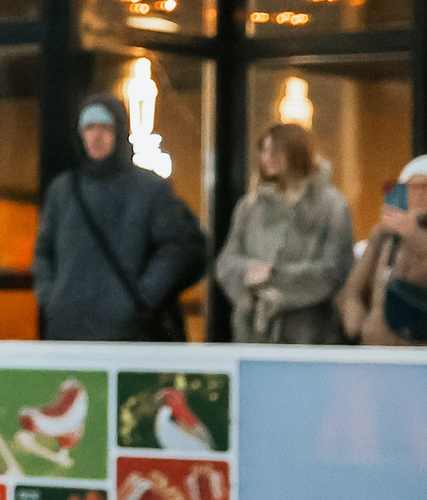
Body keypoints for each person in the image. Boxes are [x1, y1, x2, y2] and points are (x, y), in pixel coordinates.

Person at [33, 96, 208, 341]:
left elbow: (181, 246)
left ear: (120, 132)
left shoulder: (150, 189)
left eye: (105, 128)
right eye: (89, 127)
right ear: (80, 134)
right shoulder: (62, 190)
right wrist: (51, 299)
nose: (96, 136)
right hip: (69, 330)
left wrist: (144, 296)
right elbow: (44, 250)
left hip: (130, 334)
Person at [214, 123, 355, 344]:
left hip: (310, 332)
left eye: (274, 151)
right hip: (253, 332)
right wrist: (248, 272)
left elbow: (336, 268)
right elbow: (226, 262)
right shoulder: (251, 205)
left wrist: (276, 277)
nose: (266, 158)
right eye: (264, 150)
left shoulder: (332, 206)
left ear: (295, 152)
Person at [339, 154, 427, 346]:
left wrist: (413, 233)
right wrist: (359, 324)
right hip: (379, 347)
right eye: (412, 187)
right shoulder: (384, 235)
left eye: (425, 187)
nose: (419, 194)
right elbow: (354, 288)